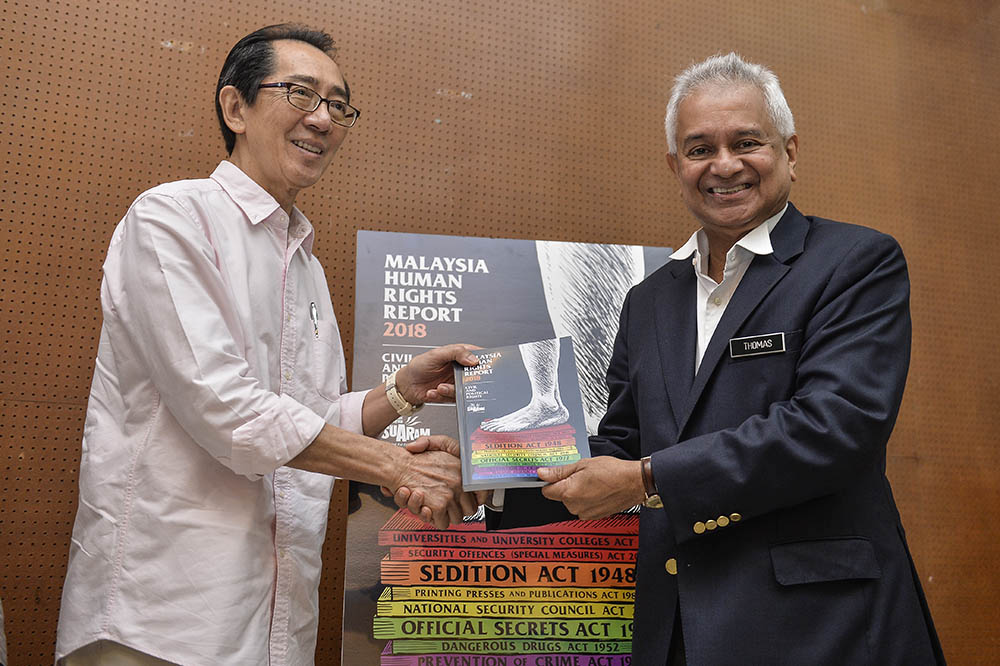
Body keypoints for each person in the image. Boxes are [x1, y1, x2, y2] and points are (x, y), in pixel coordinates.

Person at [423, 52, 944, 664]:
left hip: (825, 628)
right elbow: (620, 446)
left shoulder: (855, 262)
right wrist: (493, 473)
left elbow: (834, 427)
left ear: (791, 153)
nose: (724, 165)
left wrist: (648, 479)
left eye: (747, 142)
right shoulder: (648, 300)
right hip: (679, 631)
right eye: (699, 149)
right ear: (676, 165)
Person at [55, 24, 477, 666]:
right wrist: (396, 467)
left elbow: (301, 421)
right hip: (159, 619)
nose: (323, 119)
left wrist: (397, 394)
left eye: (339, 105)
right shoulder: (172, 218)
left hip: (275, 628)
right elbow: (228, 408)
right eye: (301, 93)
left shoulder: (305, 264)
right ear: (236, 108)